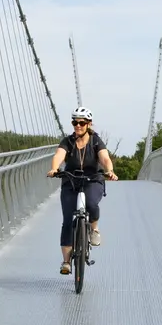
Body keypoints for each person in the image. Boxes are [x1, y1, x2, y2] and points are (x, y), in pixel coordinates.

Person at [46, 106, 117, 274]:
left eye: (82, 123)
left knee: (92, 203)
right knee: (68, 221)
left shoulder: (95, 141)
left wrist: (110, 171)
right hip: (71, 180)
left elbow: (105, 158)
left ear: (89, 124)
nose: (78, 126)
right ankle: (66, 262)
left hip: (92, 179)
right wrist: (55, 168)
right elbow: (59, 155)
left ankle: (94, 229)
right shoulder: (68, 141)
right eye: (75, 122)